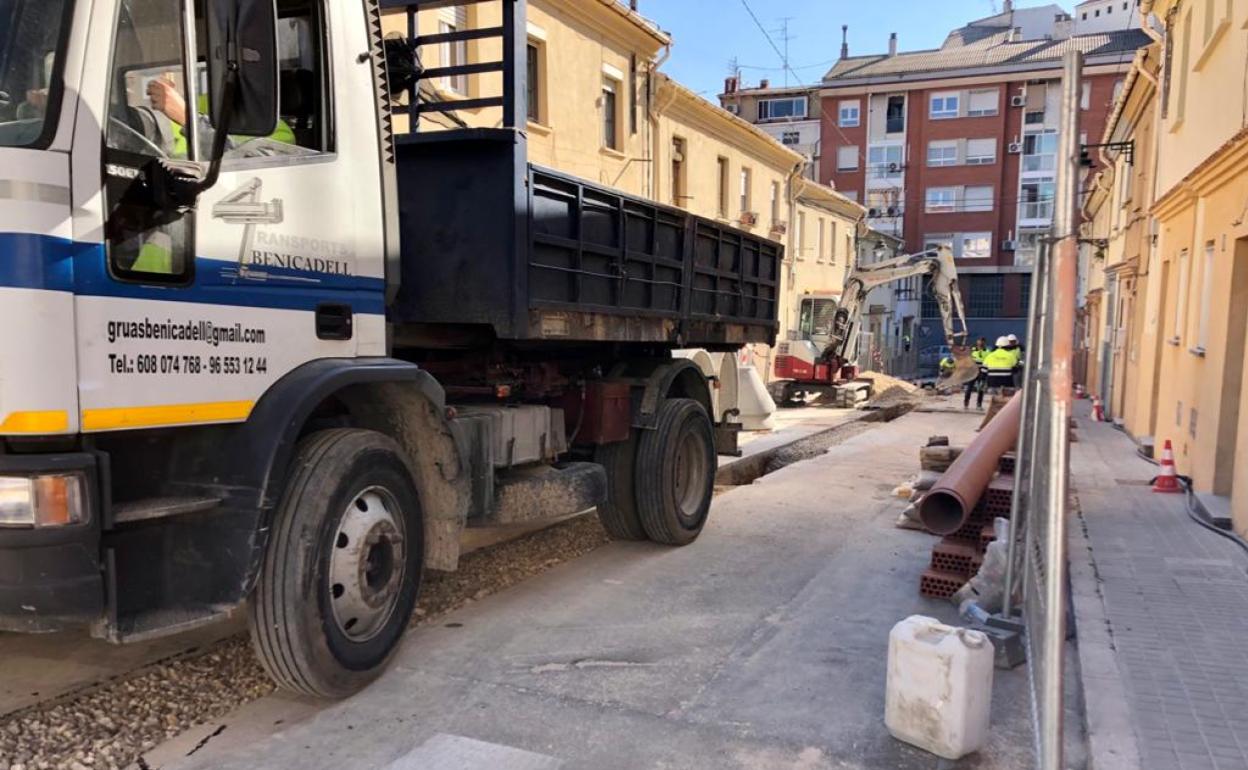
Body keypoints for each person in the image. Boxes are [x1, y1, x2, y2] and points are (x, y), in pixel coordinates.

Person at [963, 337, 989, 410]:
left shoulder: (987, 351)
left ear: (984, 342)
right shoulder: (972, 350)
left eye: (982, 342)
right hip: (973, 371)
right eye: (979, 341)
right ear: (977, 342)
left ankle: (979, 404)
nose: (980, 343)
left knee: (981, 388)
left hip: (982, 372)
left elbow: (987, 361)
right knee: (969, 387)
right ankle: (966, 401)